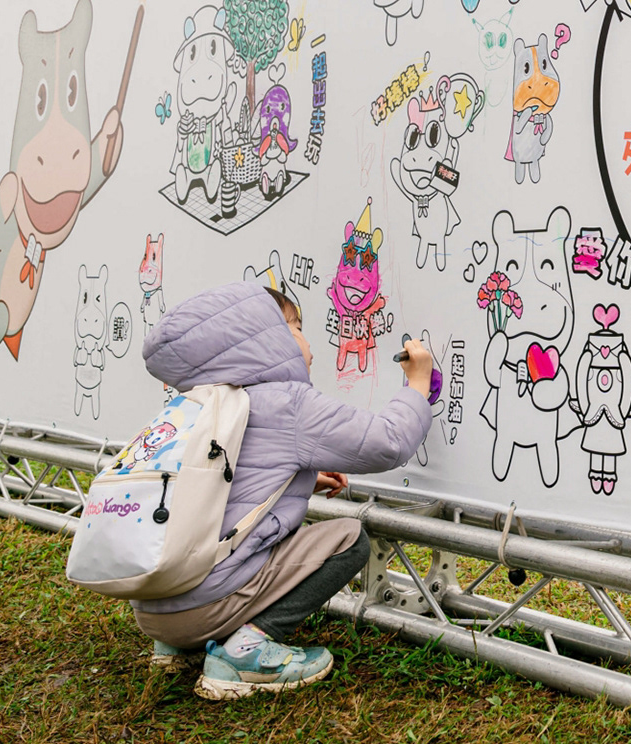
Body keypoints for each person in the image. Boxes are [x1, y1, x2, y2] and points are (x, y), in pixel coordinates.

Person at [131, 280, 434, 699]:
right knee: (349, 539)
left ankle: (177, 648)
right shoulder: (288, 401)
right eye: (296, 327)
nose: (307, 342)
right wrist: (418, 385)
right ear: (265, 335)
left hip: (154, 608)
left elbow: (220, 484)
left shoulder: (193, 403)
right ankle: (245, 652)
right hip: (204, 608)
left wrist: (300, 477)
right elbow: (387, 442)